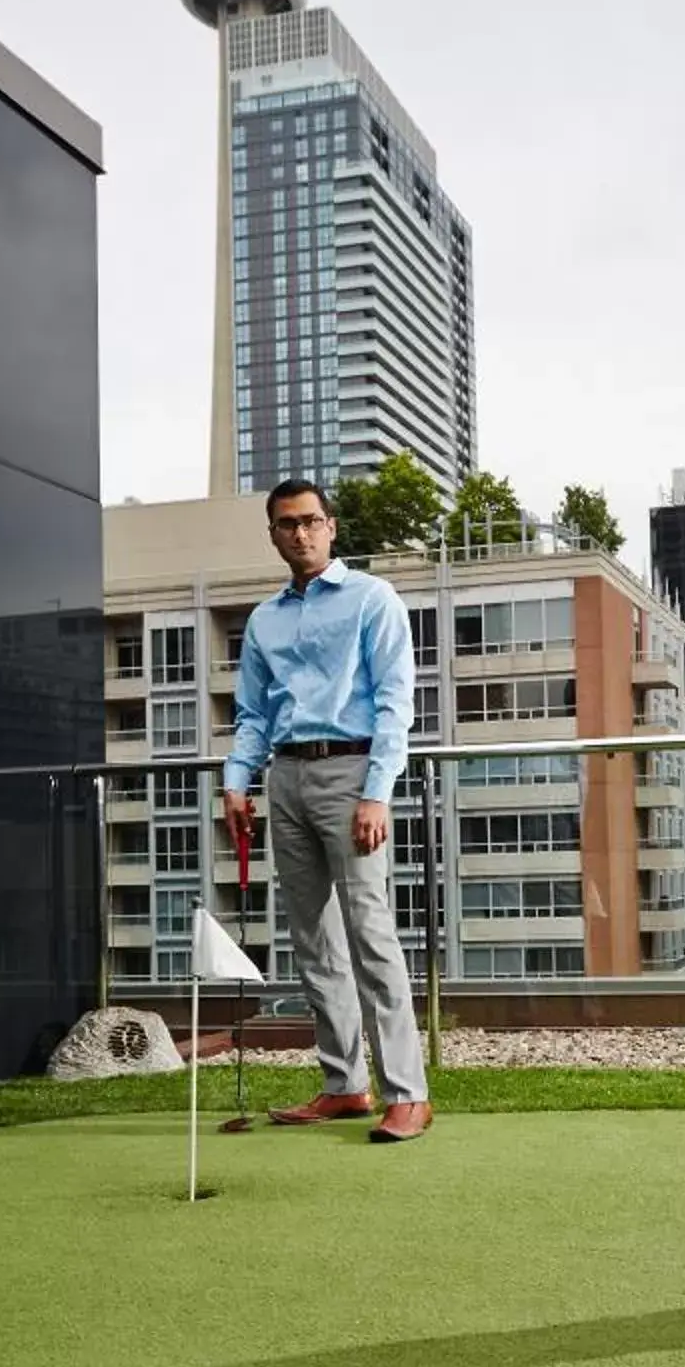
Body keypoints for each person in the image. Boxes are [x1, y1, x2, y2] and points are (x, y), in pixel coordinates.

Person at [222, 479, 432, 1143]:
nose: (300, 533)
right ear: (274, 535)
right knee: (312, 939)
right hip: (286, 777)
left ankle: (410, 1093)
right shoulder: (264, 620)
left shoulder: (373, 599)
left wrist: (377, 792)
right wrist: (236, 781)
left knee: (370, 934)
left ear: (331, 527)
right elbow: (254, 714)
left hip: (351, 776)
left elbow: (397, 703)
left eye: (311, 521)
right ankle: (345, 1086)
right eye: (287, 525)